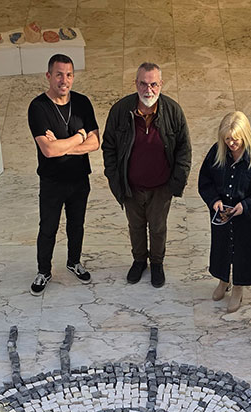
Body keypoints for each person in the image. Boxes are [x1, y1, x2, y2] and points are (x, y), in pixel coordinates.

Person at [101, 62, 192, 288]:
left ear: (161, 85)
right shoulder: (121, 111)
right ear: (136, 84)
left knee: (158, 227)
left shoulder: (173, 111)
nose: (148, 89)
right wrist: (115, 182)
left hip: (161, 187)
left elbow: (184, 150)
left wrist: (175, 185)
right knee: (135, 226)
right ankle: (139, 260)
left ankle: (157, 263)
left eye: (153, 84)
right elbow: (109, 147)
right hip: (131, 186)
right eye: (143, 83)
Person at [27, 54, 101, 296]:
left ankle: (74, 262)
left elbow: (96, 142)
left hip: (79, 178)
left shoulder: (82, 103)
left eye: (69, 75)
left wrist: (63, 145)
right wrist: (79, 137)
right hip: (52, 181)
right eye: (59, 74)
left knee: (76, 225)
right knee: (48, 227)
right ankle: (43, 270)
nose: (64, 80)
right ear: (48, 76)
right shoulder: (38, 107)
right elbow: (48, 151)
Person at [196, 111, 251, 313]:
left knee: (243, 252)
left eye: (235, 139)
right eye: (227, 139)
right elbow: (205, 181)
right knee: (221, 247)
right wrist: (214, 201)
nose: (231, 143)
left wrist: (245, 206)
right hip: (221, 215)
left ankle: (238, 287)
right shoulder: (216, 153)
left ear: (245, 136)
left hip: (245, 219)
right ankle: (223, 280)